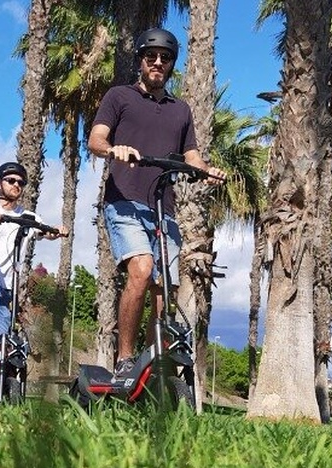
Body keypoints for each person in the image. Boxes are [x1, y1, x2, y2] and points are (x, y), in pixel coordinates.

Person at [87, 28, 226, 378]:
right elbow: (96, 140)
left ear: (171, 64)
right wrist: (114, 149)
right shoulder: (119, 97)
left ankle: (149, 366)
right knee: (142, 269)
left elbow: (191, 156)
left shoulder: (181, 110)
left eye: (165, 58)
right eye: (151, 56)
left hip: (164, 208)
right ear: (141, 60)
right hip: (125, 201)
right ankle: (125, 359)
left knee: (165, 291)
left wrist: (206, 171)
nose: (158, 63)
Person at [0, 161, 67, 379]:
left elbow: (45, 232)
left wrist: (56, 231)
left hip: (6, 284)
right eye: (11, 180)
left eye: (21, 182)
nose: (16, 185)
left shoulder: (28, 217)